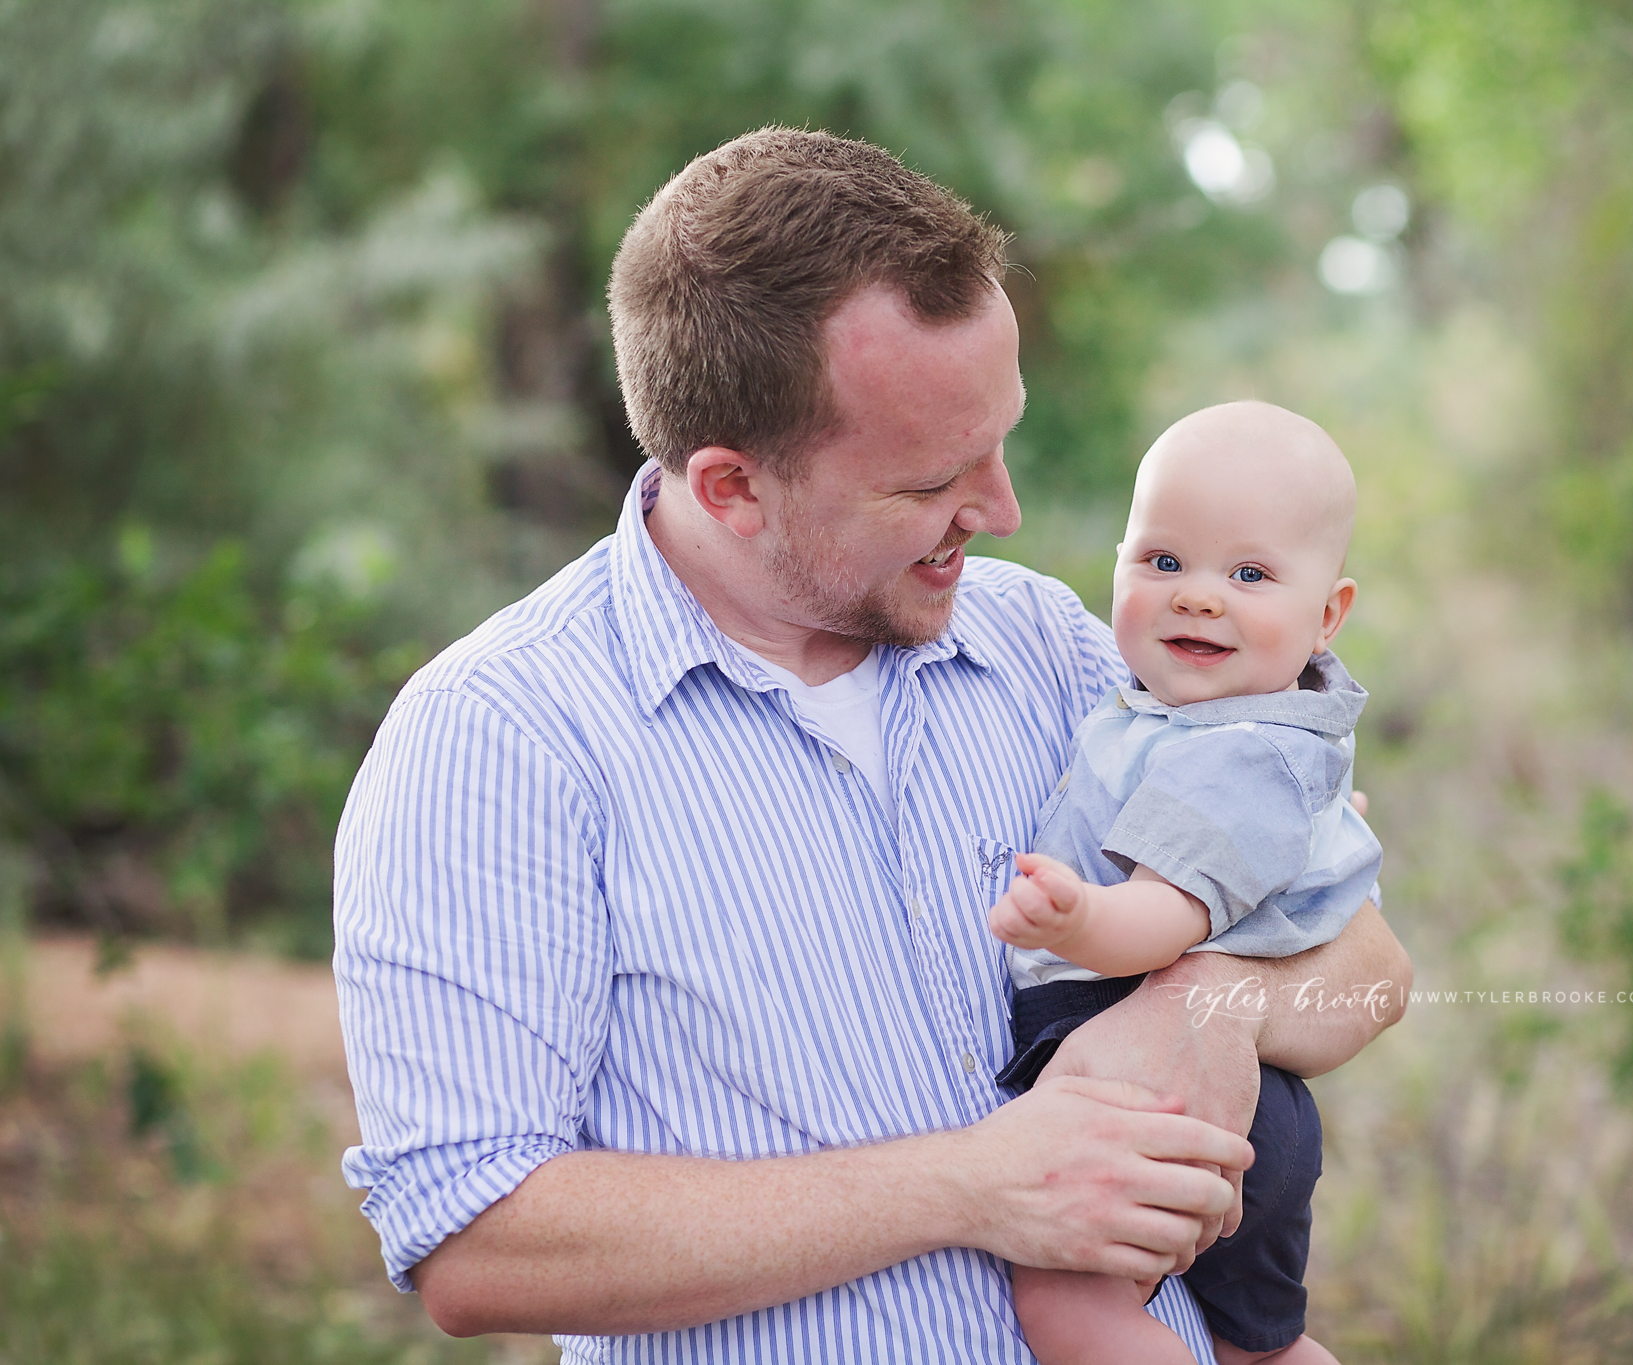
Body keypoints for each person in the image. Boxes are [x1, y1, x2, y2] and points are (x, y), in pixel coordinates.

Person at [332, 127, 1410, 1364]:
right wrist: (970, 1183)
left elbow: (1367, 963)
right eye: (927, 481)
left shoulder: (1044, 647)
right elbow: (473, 1240)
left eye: (998, 440)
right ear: (732, 486)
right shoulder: (501, 739)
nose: (1000, 511)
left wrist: (1212, 999)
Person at [990, 402, 1375, 1365]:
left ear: (1327, 614)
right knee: (1266, 1345)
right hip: (1254, 1101)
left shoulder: (1239, 754)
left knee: (1068, 1307)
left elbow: (1164, 918)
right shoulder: (1188, 718)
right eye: (1163, 562)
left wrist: (1078, 917)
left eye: (1248, 574)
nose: (1198, 596)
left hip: (1146, 1065)